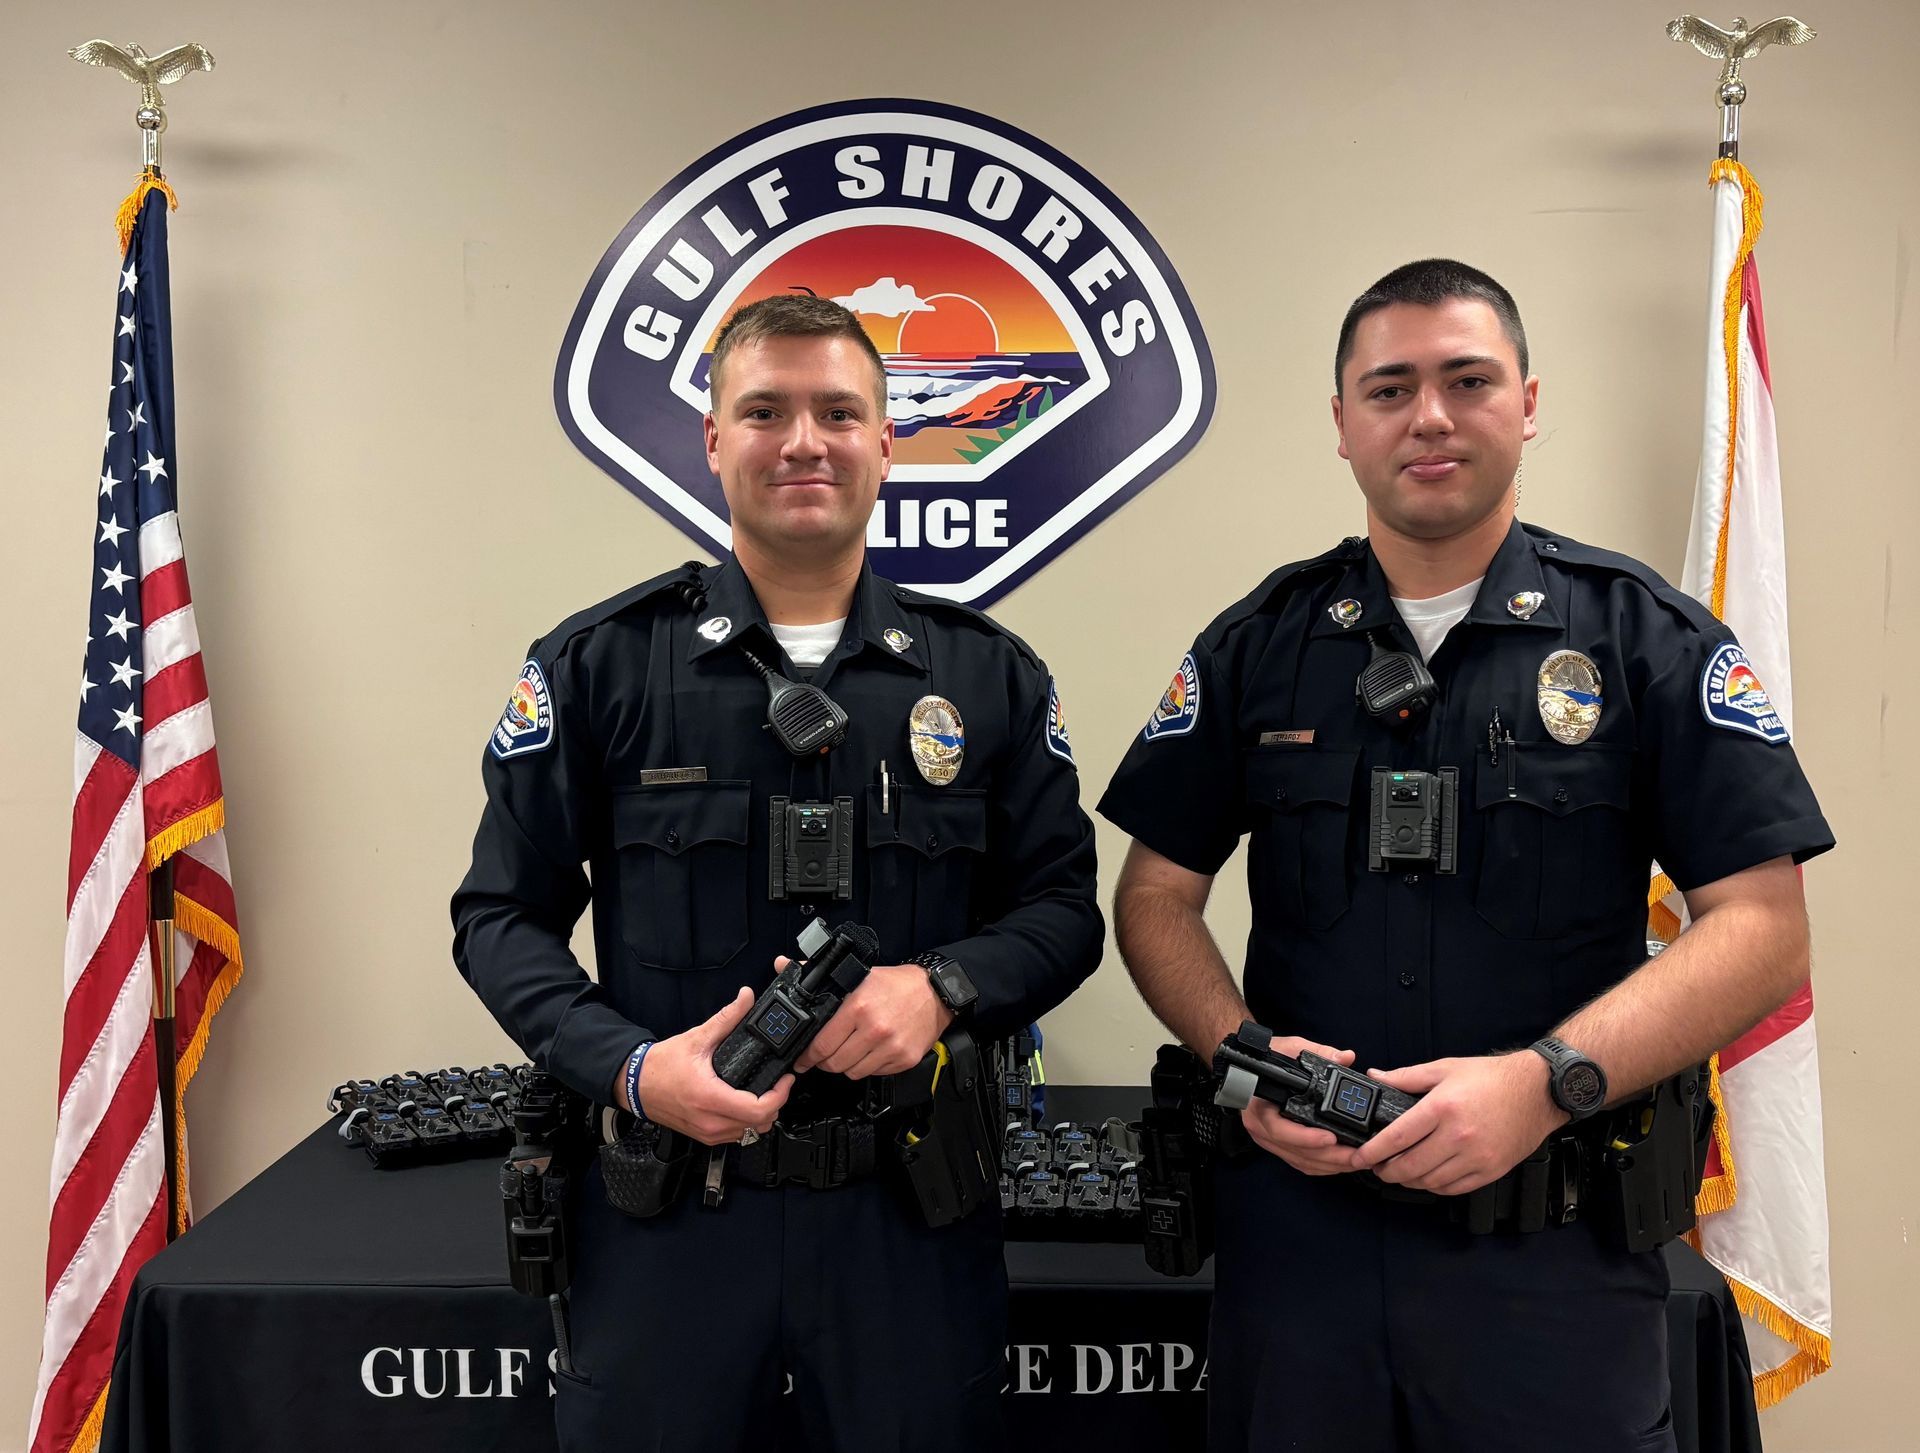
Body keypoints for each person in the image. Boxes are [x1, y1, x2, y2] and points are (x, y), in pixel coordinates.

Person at [1097, 259, 1832, 1452]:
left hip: (1554, 1265)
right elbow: (1155, 897)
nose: (1428, 416)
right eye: (1389, 388)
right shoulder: (1258, 646)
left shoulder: (1644, 639)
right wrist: (1240, 1057)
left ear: (1527, 402)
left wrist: (1545, 1083)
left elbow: (1761, 925)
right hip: (1301, 1263)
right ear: (1343, 425)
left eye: (1467, 379)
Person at [452, 294, 1101, 1451]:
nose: (804, 440)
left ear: (888, 441)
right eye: (765, 410)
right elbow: (500, 917)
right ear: (713, 440)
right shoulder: (603, 665)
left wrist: (941, 986)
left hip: (909, 1222)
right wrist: (636, 1068)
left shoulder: (987, 675)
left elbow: (1061, 913)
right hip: (668, 1226)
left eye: (839, 411)